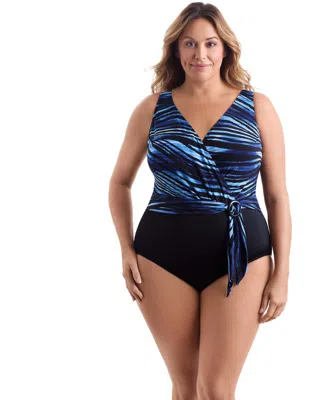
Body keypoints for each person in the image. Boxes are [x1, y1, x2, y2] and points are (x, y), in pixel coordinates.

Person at [108, 2, 291, 399]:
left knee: (217, 389)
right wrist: (125, 250)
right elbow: (120, 183)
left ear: (225, 48)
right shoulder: (152, 109)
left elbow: (276, 196)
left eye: (210, 43)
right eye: (189, 43)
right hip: (161, 257)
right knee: (186, 386)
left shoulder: (258, 107)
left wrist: (283, 273)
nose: (200, 54)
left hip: (242, 256)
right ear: (176, 50)